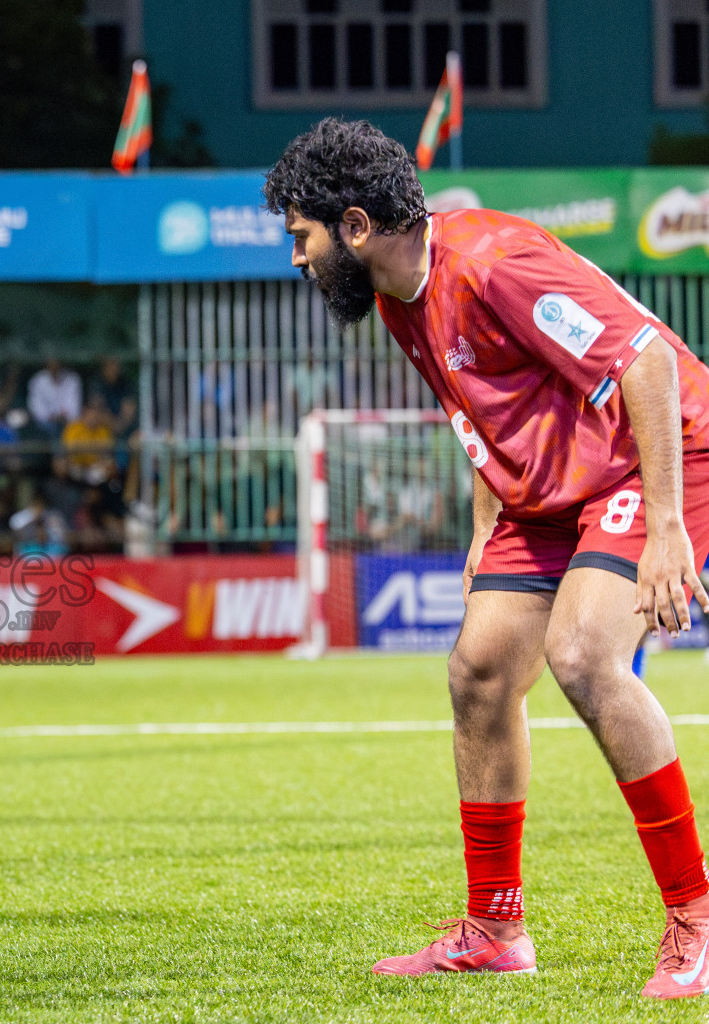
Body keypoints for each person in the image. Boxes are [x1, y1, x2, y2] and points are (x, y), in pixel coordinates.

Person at [265, 117, 709, 998]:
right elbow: (482, 410)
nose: (296, 259)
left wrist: (667, 527)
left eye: (301, 238)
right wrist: (483, 525)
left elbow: (648, 362)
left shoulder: (494, 263)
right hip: (545, 494)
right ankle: (496, 929)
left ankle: (697, 917)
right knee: (478, 671)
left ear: (355, 227)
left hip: (654, 454)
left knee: (584, 655)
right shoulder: (398, 294)